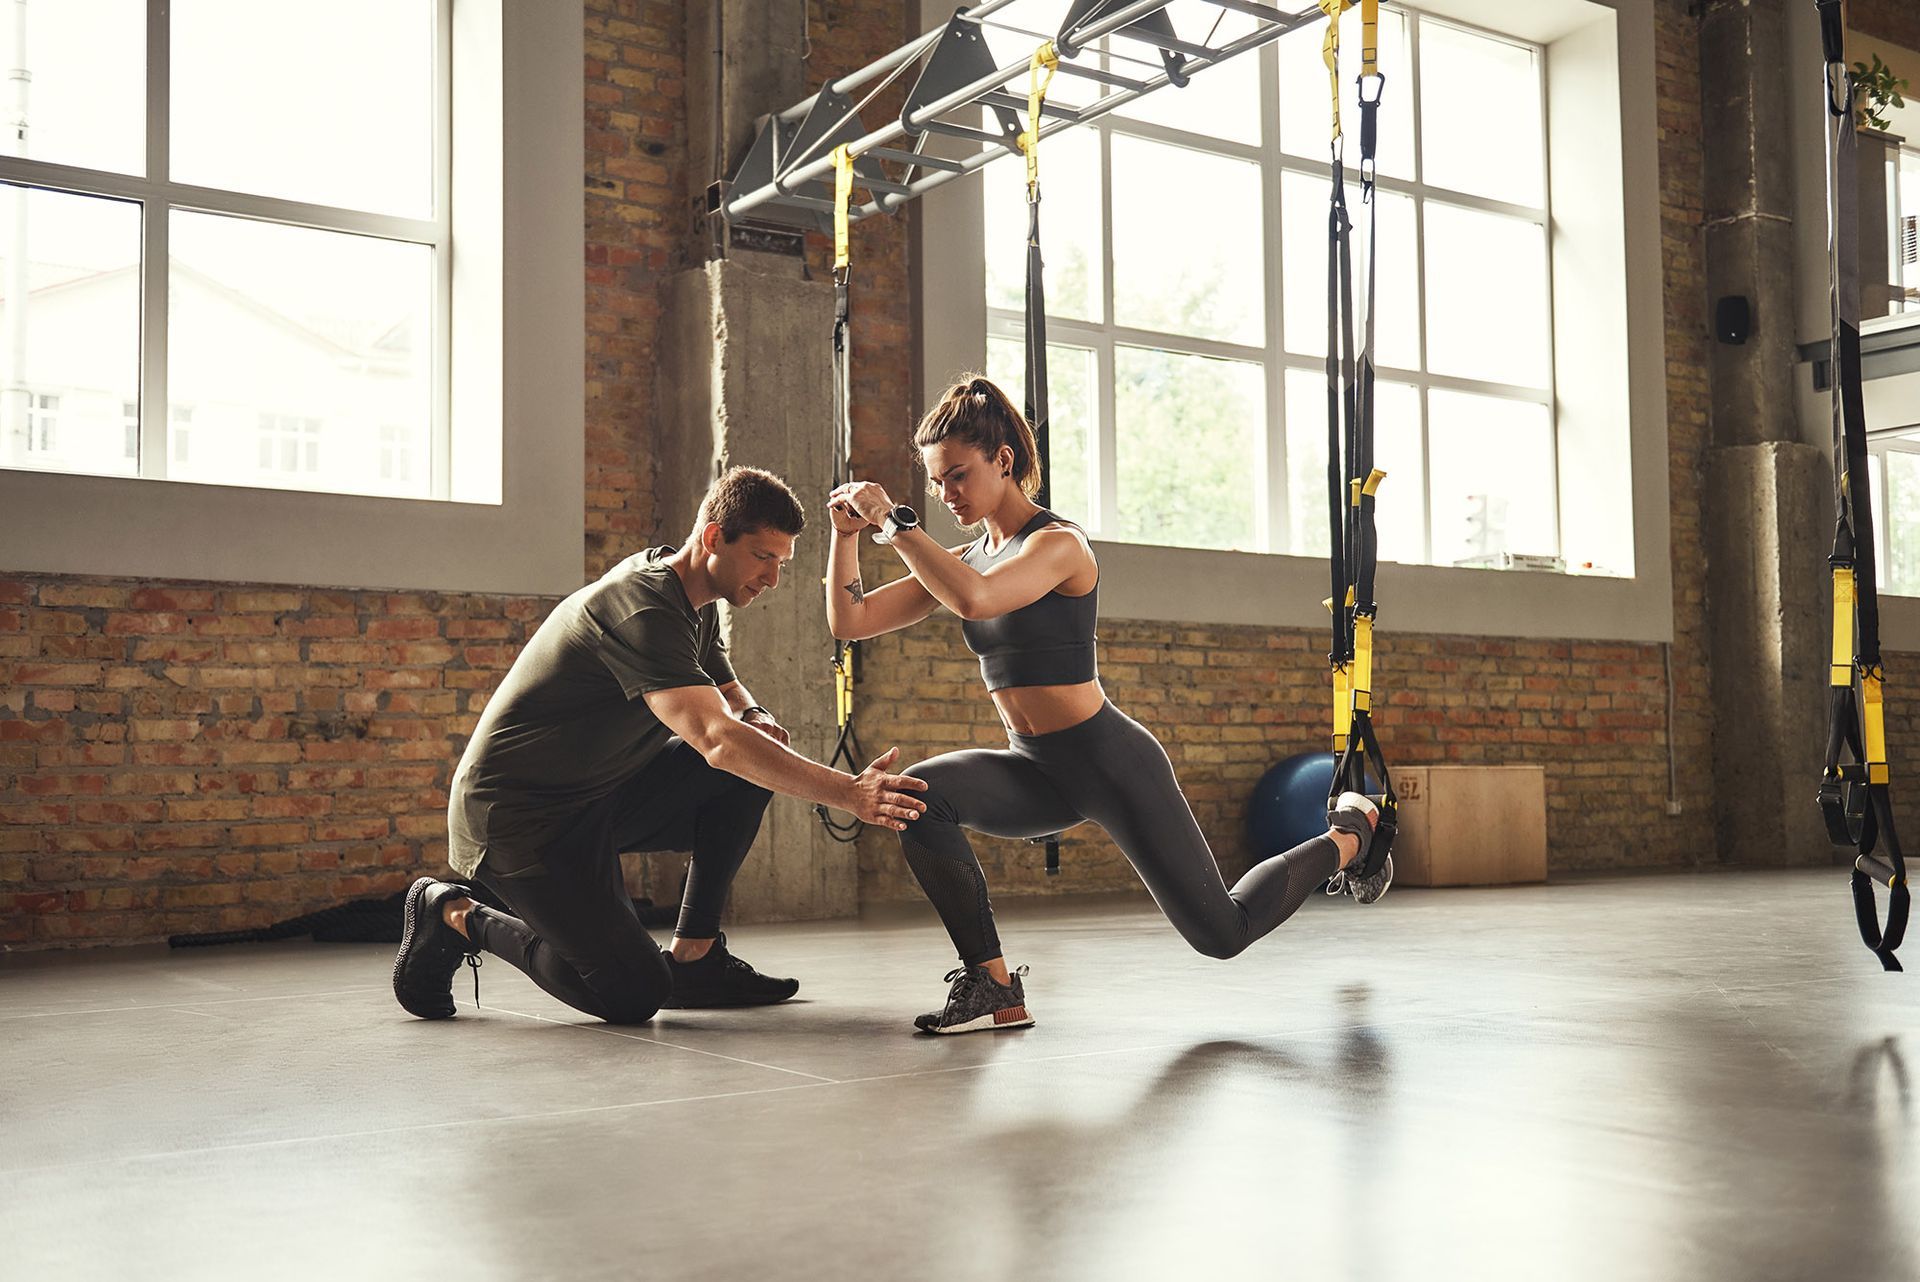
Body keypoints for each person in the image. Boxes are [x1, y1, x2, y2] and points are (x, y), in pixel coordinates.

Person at [825, 376, 1389, 1035]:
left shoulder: (1058, 545)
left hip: (1110, 762)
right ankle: (992, 985)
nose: (947, 495)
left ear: (1003, 460)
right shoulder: (966, 555)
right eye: (937, 483)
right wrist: (845, 536)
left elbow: (976, 600)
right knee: (917, 797)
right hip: (1036, 767)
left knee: (1223, 932)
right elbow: (852, 620)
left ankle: (1352, 836)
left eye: (957, 476)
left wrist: (894, 523)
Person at [393, 466, 929, 1024]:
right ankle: (452, 913)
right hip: (519, 818)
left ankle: (695, 958)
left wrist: (753, 712)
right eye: (764, 557)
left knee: (745, 767)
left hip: (597, 796)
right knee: (631, 993)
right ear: (715, 536)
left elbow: (723, 683)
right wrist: (851, 793)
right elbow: (716, 740)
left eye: (782, 563)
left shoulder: (689, 593)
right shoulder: (645, 607)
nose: (773, 579)